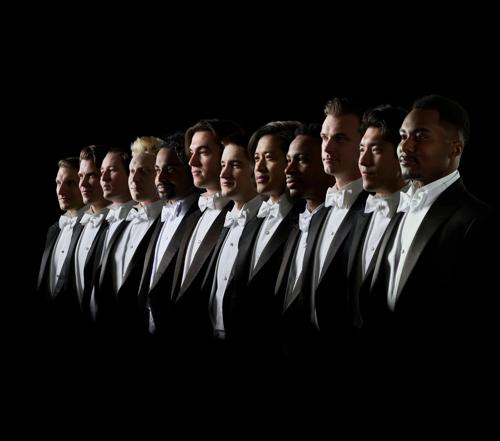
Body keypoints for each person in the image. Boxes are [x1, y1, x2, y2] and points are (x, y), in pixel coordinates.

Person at [367, 95, 495, 377]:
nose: (405, 146)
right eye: (403, 136)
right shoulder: (399, 210)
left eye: (420, 136)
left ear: (455, 147)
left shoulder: (478, 221)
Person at [301, 97, 368, 360]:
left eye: (340, 139)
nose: (327, 148)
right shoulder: (320, 212)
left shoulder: (376, 210)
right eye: (324, 137)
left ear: (363, 145)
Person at [169, 120, 241, 356]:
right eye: (191, 153)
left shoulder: (241, 216)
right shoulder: (192, 217)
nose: (192, 162)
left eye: (203, 152)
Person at [346, 105, 408, 343]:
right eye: (362, 149)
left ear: (401, 153)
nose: (363, 161)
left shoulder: (416, 216)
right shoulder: (357, 215)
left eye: (376, 150)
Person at [274, 123, 335, 358]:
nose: (288, 169)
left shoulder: (344, 224)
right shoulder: (292, 225)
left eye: (301, 160)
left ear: (327, 162)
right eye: (288, 160)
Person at [94, 137, 163, 339]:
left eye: (144, 171)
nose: (134, 178)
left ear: (158, 174)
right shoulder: (122, 223)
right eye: (132, 171)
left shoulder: (167, 224)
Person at [202, 132, 263, 358]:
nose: (224, 173)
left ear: (254, 169)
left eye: (235, 165)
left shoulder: (267, 223)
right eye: (222, 165)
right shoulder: (223, 220)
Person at [138, 132, 199, 338]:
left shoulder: (201, 217)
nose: (160, 178)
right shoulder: (161, 217)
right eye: (157, 170)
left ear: (190, 170)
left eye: (170, 169)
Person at [36, 157, 86, 339]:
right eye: (58, 183)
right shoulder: (53, 230)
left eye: (70, 183)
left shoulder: (97, 229)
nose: (61, 190)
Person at [74, 145, 112, 322]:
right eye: (81, 176)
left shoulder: (123, 223)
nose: (82, 184)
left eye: (91, 176)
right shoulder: (78, 225)